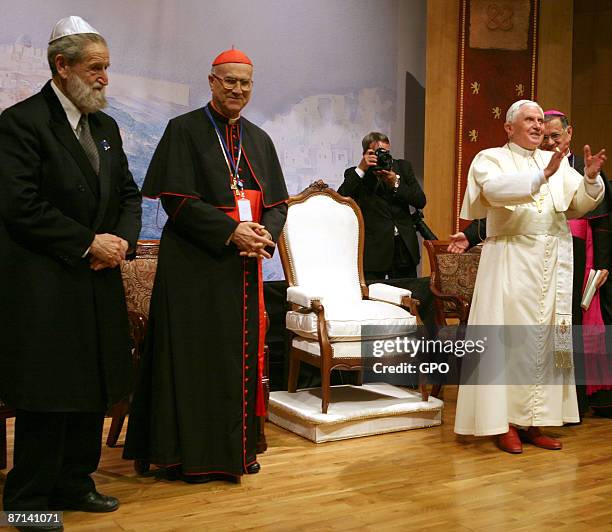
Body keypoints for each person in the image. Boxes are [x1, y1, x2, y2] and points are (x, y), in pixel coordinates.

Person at [0, 15, 142, 528]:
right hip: (47, 282)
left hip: (98, 278)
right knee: (49, 392)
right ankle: (28, 501)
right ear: (62, 66)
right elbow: (20, 205)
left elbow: (127, 192)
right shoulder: (20, 123)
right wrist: (87, 243)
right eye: (95, 67)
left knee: (91, 386)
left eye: (107, 67)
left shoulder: (104, 126)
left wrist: (120, 241)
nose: (105, 78)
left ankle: (76, 481)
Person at [123, 48, 288, 482]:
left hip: (243, 273)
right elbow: (176, 199)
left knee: (239, 361)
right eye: (229, 80)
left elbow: (277, 204)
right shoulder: (184, 130)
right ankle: (185, 455)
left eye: (245, 82)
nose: (237, 89)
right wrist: (230, 231)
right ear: (212, 81)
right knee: (196, 359)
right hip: (195, 267)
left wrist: (265, 233)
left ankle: (238, 449)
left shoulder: (259, 139)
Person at [454, 99, 606, 453]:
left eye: (541, 120)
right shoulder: (490, 158)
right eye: (529, 120)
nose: (538, 126)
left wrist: (591, 179)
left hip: (552, 262)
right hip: (511, 258)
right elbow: (493, 191)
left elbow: (578, 204)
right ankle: (503, 421)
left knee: (545, 339)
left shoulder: (553, 160)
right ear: (509, 127)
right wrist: (542, 176)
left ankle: (534, 419)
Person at [541, 110, 612, 416]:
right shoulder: (533, 166)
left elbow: (604, 222)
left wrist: (603, 264)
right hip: (543, 252)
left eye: (555, 135)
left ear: (569, 134)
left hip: (581, 255)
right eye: (545, 136)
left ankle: (579, 400)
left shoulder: (585, 168)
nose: (550, 141)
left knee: (572, 325)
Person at [338, 132, 426, 280]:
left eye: (385, 153)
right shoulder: (357, 174)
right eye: (376, 153)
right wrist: (361, 169)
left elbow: (420, 201)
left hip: (402, 247)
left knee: (406, 294)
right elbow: (341, 199)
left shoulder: (403, 168)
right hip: (374, 250)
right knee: (373, 296)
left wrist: (396, 183)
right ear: (365, 153)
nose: (382, 157)